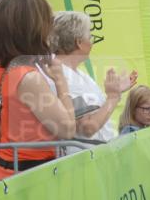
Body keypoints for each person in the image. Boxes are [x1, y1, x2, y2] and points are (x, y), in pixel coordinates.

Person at [0, 0, 76, 182]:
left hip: (6, 174)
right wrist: (61, 83)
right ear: (33, 29)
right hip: (29, 178)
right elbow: (67, 130)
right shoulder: (28, 77)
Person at [51, 11, 137, 143]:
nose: (92, 42)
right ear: (79, 42)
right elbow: (87, 128)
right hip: (84, 158)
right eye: (90, 37)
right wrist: (113, 97)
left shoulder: (77, 74)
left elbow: (94, 112)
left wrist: (115, 92)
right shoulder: (65, 76)